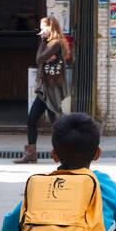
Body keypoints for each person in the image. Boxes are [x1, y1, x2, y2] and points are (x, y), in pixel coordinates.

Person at [15, 16, 70, 164]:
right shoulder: (48, 43)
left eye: (43, 27)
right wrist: (43, 42)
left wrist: (43, 44)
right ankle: (31, 153)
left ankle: (64, 154)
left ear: (50, 28)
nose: (41, 30)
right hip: (44, 90)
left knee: (57, 125)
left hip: (54, 91)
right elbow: (41, 59)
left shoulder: (56, 43)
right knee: (32, 119)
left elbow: (39, 59)